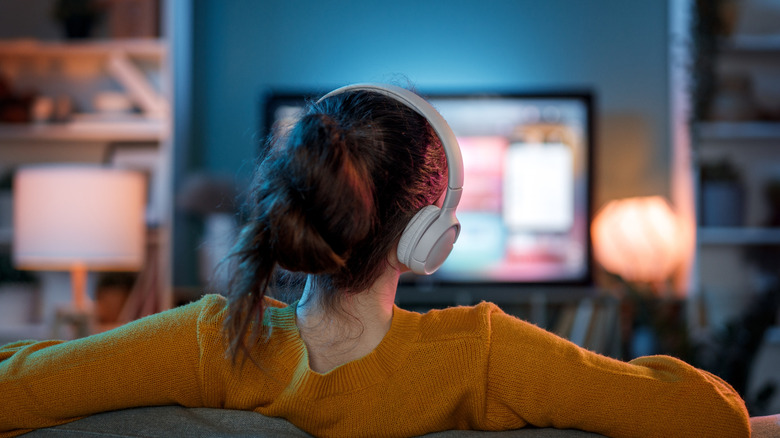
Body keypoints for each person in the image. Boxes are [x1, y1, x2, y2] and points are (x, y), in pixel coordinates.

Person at [1, 84, 750, 438]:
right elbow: (707, 417)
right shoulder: (483, 357)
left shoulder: (211, 344)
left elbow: (19, 390)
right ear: (429, 240)